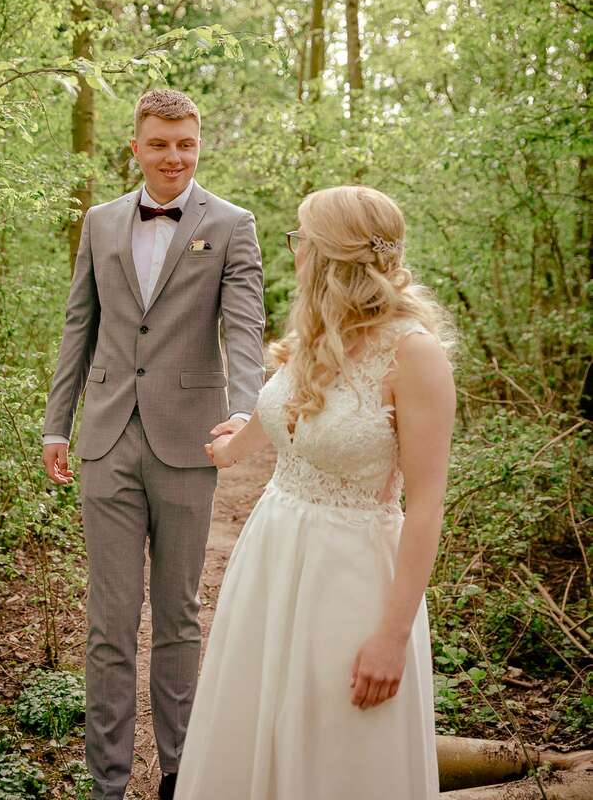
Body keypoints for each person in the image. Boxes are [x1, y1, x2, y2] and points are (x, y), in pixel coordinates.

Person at [174, 184, 456, 800]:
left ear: (332, 253)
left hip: (351, 575)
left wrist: (391, 637)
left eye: (301, 238)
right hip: (274, 553)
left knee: (335, 740)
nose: (294, 250)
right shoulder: (316, 333)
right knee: (254, 724)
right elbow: (285, 410)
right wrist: (233, 445)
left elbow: (427, 505)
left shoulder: (415, 356)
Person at [41, 89, 265, 800]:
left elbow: (243, 328)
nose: (174, 157)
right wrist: (57, 422)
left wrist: (242, 413)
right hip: (106, 439)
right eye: (160, 144)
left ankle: (179, 773)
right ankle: (105, 779)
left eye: (186, 144)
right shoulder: (100, 223)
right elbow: (79, 326)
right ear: (134, 148)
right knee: (109, 621)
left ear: (199, 146)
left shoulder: (232, 225)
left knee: (176, 614)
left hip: (188, 439)